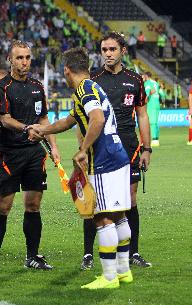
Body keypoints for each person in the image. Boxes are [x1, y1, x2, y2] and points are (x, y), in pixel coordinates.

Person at [31, 47, 133, 289]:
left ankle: (109, 277)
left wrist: (82, 149)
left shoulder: (84, 89)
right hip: (118, 155)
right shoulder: (92, 87)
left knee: (100, 216)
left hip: (104, 160)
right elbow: (69, 121)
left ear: (67, 70)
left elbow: (96, 118)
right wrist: (42, 130)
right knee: (118, 214)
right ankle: (124, 270)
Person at [0, 40, 60, 273]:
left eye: (27, 57)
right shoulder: (1, 87)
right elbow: (4, 118)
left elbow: (44, 120)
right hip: (10, 154)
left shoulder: (38, 87)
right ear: (10, 60)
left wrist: (54, 146)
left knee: (34, 206)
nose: (24, 62)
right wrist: (27, 128)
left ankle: (32, 256)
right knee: (2, 206)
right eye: (19, 58)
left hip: (34, 155)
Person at [81, 32, 152, 271]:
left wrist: (147, 148)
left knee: (129, 201)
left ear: (123, 50)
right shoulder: (92, 80)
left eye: (112, 49)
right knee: (96, 203)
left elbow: (142, 114)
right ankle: (88, 254)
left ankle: (134, 252)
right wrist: (83, 149)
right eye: (104, 50)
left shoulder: (135, 79)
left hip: (130, 148)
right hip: (100, 149)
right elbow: (84, 119)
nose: (108, 54)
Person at [143, 72, 161, 147]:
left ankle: (154, 140)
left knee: (152, 122)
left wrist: (144, 101)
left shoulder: (147, 83)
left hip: (151, 104)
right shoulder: (155, 83)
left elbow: (147, 93)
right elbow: (159, 93)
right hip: (157, 103)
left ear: (146, 76)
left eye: (143, 76)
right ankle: (156, 139)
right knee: (156, 122)